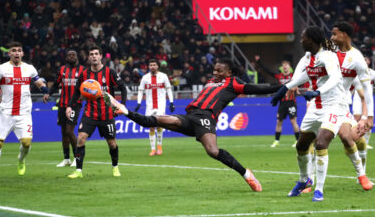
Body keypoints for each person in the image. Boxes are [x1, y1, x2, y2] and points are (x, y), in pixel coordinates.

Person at [104, 59, 282, 192]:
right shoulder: (211, 82)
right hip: (191, 116)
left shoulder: (234, 82)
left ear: (228, 72)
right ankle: (124, 111)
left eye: (219, 70)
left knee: (213, 151)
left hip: (206, 118)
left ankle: (247, 175)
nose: (215, 73)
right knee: (156, 120)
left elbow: (257, 89)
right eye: (214, 70)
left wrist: (282, 87)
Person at [270, 26, 368, 202]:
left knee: (322, 143)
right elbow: (306, 75)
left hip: (334, 106)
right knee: (301, 145)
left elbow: (335, 78)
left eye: (303, 38)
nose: (301, 41)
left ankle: (319, 190)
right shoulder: (310, 58)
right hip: (316, 107)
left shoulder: (328, 56)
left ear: (312, 40)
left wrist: (317, 91)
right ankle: (303, 181)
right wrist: (284, 88)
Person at [0, 41, 49, 180]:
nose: (16, 53)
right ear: (9, 53)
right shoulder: (1, 68)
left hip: (24, 112)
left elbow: (38, 82)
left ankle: (21, 160)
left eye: (19, 50)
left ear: (22, 53)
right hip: (6, 111)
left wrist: (44, 88)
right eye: (13, 50)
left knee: (26, 143)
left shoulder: (29, 68)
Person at [66, 45, 127, 179]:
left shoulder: (110, 72)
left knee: (112, 143)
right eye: (91, 54)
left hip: (107, 113)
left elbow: (123, 88)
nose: (94, 56)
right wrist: (70, 106)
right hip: (90, 113)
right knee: (81, 138)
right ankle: (78, 171)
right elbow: (76, 91)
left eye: (96, 54)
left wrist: (122, 104)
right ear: (89, 57)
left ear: (101, 56)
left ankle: (115, 167)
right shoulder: (84, 74)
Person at [329, 21, 373, 190]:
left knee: (353, 140)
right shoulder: (328, 54)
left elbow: (366, 91)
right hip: (323, 105)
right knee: (310, 140)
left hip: (342, 107)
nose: (331, 37)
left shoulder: (356, 59)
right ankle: (308, 180)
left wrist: (367, 117)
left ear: (344, 35)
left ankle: (361, 175)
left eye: (334, 34)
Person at [255, 55, 300, 148]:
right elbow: (268, 71)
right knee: (279, 122)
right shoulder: (279, 76)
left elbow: (296, 86)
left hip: (291, 102)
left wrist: (294, 88)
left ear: (290, 67)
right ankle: (276, 141)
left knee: (293, 122)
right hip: (282, 103)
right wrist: (259, 63)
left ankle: (298, 141)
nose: (284, 67)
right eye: (283, 65)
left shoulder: (294, 77)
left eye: (286, 65)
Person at [50, 49, 85, 167]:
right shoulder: (62, 70)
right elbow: (56, 84)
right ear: (66, 58)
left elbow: (87, 87)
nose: (71, 56)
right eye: (69, 55)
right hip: (62, 105)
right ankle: (66, 159)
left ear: (77, 57)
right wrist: (48, 94)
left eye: (73, 55)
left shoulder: (83, 70)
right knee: (63, 132)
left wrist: (82, 98)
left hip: (75, 105)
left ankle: (77, 158)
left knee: (69, 131)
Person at [135, 59, 175, 156]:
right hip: (150, 106)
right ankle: (153, 149)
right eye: (151, 65)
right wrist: (139, 103)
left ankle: (159, 147)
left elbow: (169, 89)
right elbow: (140, 90)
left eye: (154, 65)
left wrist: (171, 102)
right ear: (149, 67)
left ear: (157, 66)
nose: (153, 66)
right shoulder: (145, 78)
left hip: (161, 105)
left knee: (160, 125)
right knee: (151, 127)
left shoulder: (163, 76)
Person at [352, 56, 375, 150]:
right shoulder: (355, 73)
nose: (364, 61)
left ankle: (365, 142)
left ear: (369, 61)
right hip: (357, 97)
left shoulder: (373, 73)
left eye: (365, 59)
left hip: (368, 98)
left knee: (367, 119)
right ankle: (355, 139)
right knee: (357, 118)